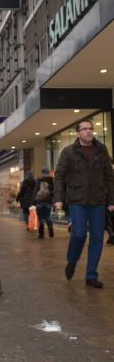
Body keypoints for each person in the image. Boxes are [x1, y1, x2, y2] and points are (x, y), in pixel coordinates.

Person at [54, 120, 114, 288]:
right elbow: (59, 176)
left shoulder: (101, 150)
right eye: (85, 129)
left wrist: (111, 200)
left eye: (91, 129)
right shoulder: (68, 152)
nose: (89, 131)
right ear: (78, 133)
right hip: (77, 199)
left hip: (98, 200)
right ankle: (72, 260)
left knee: (97, 238)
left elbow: (109, 177)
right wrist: (58, 198)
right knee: (79, 234)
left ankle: (91, 275)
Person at [33, 168, 54, 239]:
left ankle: (41, 234)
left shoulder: (39, 180)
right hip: (48, 202)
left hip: (40, 202)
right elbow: (53, 191)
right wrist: (50, 195)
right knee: (48, 217)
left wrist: (34, 201)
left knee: (40, 218)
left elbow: (35, 191)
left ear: (41, 173)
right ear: (48, 173)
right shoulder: (51, 180)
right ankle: (51, 230)